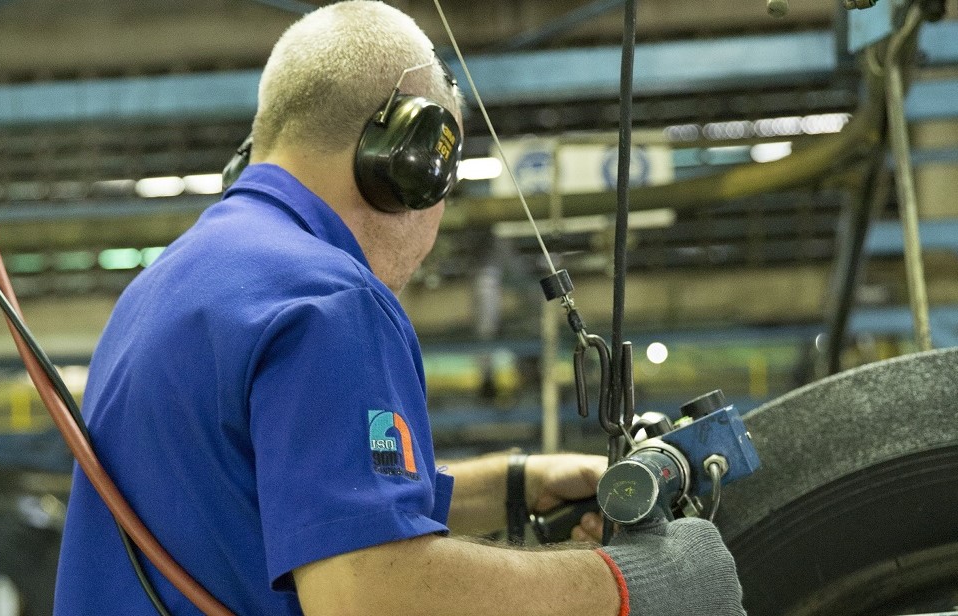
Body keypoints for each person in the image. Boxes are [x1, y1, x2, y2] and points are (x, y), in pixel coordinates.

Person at [55, 2, 746, 615]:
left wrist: (513, 488)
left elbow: (280, 501)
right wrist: (632, 586)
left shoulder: (166, 286)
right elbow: (369, 594)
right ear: (410, 162)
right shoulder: (329, 299)